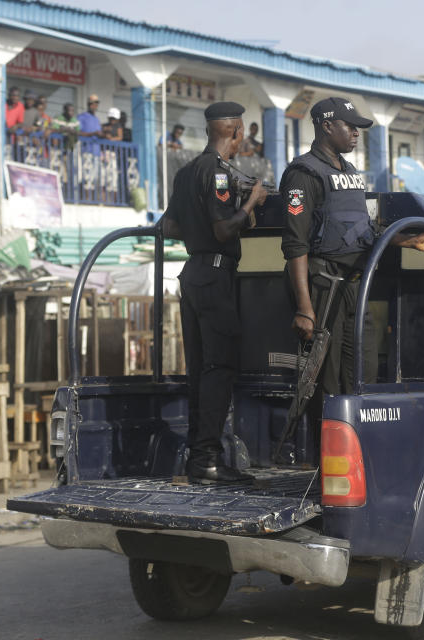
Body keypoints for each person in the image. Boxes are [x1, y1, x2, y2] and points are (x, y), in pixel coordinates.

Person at [280, 97, 424, 400]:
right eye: (350, 127)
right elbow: (295, 244)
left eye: (358, 129)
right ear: (327, 126)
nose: (356, 133)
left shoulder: (350, 171)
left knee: (362, 377)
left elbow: (361, 230)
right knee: (325, 382)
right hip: (325, 288)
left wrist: (404, 240)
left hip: (356, 287)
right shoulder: (304, 173)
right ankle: (321, 446)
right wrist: (305, 308)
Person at [160, 101, 266, 483]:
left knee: (200, 371)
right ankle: (207, 459)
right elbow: (223, 231)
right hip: (216, 275)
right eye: (239, 135)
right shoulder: (219, 175)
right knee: (219, 368)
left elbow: (169, 227)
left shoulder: (187, 171)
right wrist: (250, 202)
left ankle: (197, 457)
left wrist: (224, 219)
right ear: (234, 131)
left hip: (192, 276)